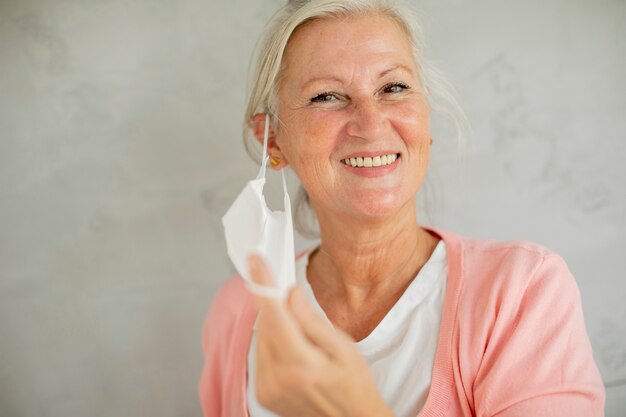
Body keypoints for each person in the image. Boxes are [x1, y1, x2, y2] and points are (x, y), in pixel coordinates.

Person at [199, 0, 605, 416]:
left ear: (425, 116)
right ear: (272, 140)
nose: (371, 123)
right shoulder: (238, 311)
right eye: (326, 96)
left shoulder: (521, 292)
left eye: (393, 88)